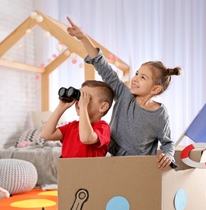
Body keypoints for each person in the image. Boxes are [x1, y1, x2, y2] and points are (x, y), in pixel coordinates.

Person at [66, 17, 182, 169]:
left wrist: (168, 155)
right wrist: (83, 38)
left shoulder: (160, 114)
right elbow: (103, 66)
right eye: (137, 73)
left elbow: (167, 142)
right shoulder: (124, 94)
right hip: (112, 159)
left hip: (140, 166)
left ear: (155, 89)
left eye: (143, 77)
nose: (135, 79)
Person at [41, 80, 114, 158]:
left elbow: (86, 138)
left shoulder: (103, 127)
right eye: (79, 97)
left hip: (90, 169)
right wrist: (60, 108)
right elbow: (47, 135)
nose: (80, 101)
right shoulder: (72, 126)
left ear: (103, 107)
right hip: (67, 169)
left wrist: (83, 106)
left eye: (87, 98)